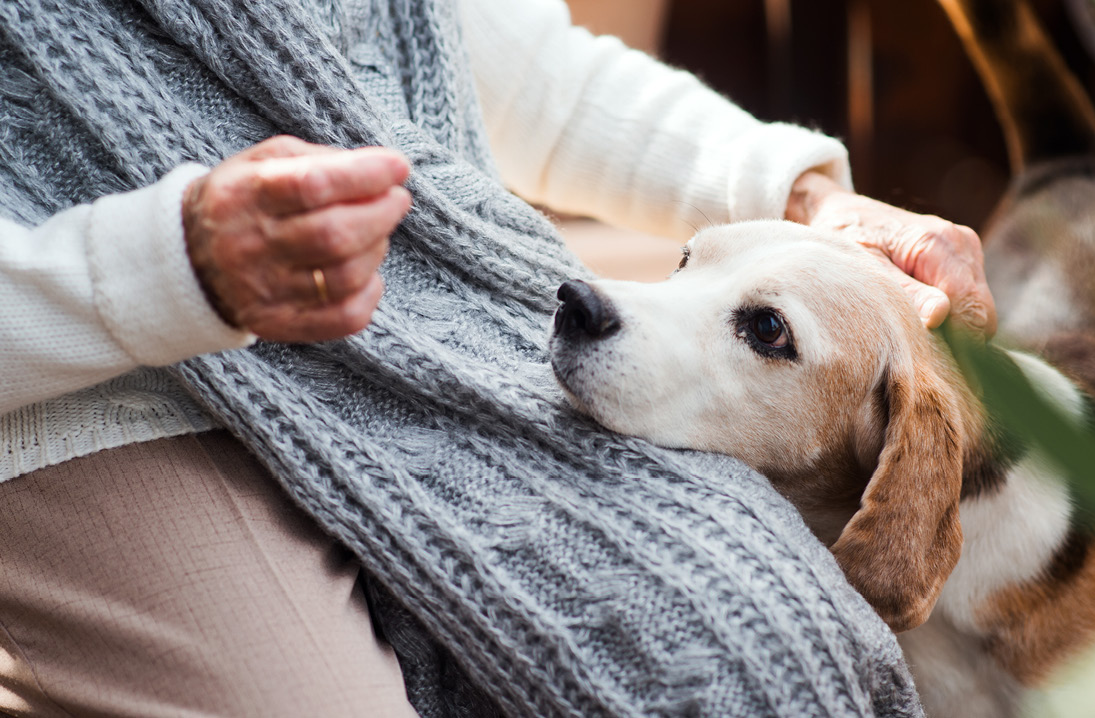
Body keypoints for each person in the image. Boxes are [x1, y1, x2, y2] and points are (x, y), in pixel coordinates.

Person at [0, 0, 994, 715]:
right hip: (99, 394)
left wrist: (803, 198)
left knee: (761, 636)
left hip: (436, 333)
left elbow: (520, 70)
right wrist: (166, 269)